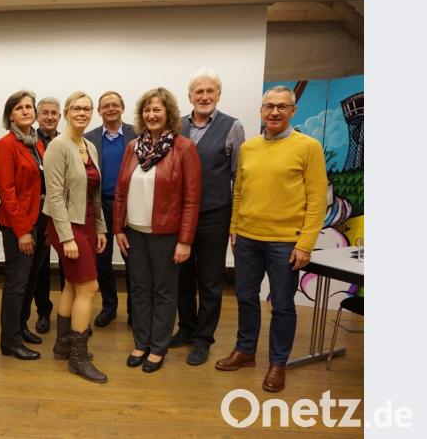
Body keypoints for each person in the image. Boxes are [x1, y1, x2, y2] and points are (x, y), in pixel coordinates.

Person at [215, 85, 327, 392]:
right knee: (246, 298)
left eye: (281, 107)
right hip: (247, 239)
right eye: (269, 106)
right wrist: (234, 229)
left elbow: (317, 199)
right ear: (261, 111)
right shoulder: (249, 148)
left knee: (282, 304)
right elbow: (239, 190)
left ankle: (278, 363)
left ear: (293, 111)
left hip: (285, 242)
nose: (274, 112)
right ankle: (245, 351)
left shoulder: (309, 147)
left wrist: (305, 244)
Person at [113, 88, 202, 373]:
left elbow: (191, 199)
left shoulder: (184, 148)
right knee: (139, 291)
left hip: (167, 234)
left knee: (164, 292)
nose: (151, 115)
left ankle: (158, 347)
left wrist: (185, 241)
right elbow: (119, 192)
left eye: (157, 110)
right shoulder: (132, 148)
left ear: (169, 115)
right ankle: (141, 342)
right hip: (134, 231)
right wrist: (118, 229)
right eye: (147, 110)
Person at [171, 68, 246, 366]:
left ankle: (204, 339)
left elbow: (239, 178)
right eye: (198, 92)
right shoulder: (175, 126)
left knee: (210, 280)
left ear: (218, 95)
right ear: (189, 96)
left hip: (215, 214)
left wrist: (236, 223)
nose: (204, 96)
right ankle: (187, 329)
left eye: (209, 91)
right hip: (179, 216)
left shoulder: (233, 126)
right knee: (182, 276)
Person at [42, 91, 108, 383]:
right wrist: (67, 237)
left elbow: (94, 195)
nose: (83, 113)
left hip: (88, 222)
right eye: (77, 108)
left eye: (87, 109)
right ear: (67, 112)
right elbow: (55, 197)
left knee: (72, 284)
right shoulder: (58, 146)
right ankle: (78, 358)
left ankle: (62, 345)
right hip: (65, 225)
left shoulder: (89, 147)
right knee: (89, 287)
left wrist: (102, 229)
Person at [0, 90, 49, 359]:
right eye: (19, 108)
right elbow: (7, 192)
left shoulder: (37, 144)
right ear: (11, 115)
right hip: (18, 225)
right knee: (16, 283)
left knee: (30, 280)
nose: (26, 111)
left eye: (30, 107)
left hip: (39, 221)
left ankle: (21, 326)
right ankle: (9, 341)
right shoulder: (6, 145)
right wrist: (23, 231)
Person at [84, 91, 137, 328]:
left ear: (123, 107)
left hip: (130, 204)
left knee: (133, 259)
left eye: (115, 105)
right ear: (99, 111)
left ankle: (136, 310)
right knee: (102, 260)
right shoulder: (89, 138)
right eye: (105, 106)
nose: (111, 109)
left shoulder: (138, 134)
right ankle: (109, 306)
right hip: (101, 204)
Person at [30, 96, 62, 334]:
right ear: (37, 116)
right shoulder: (30, 142)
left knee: (69, 265)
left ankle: (68, 314)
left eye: (54, 113)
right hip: (39, 212)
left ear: (60, 116)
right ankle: (43, 312)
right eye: (45, 113)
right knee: (40, 267)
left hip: (65, 212)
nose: (49, 117)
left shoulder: (66, 141)